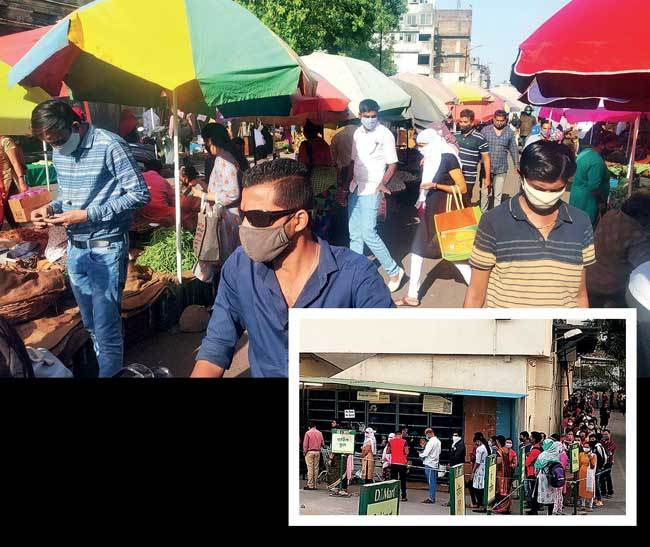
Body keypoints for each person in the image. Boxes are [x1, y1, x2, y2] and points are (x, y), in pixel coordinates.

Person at [191, 159, 394, 378]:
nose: (245, 227)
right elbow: (216, 347)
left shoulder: (357, 276)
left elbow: (390, 356)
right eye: (243, 215)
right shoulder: (240, 267)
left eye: (258, 217)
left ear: (298, 220)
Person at [30, 100, 150, 378]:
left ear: (75, 126)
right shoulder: (60, 152)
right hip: (75, 251)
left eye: (58, 139)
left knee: (106, 327)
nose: (56, 146)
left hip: (106, 248)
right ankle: (112, 368)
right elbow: (66, 197)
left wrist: (87, 215)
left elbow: (139, 194)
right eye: (49, 142)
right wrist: (48, 209)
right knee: (92, 323)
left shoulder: (110, 145)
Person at [465, 141, 595, 308]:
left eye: (556, 190)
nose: (546, 196)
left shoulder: (580, 222)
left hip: (560, 332)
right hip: (509, 331)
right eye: (538, 188)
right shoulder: (494, 221)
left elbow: (580, 293)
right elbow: (476, 294)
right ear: (521, 175)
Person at [394, 128, 467, 307]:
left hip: (444, 211)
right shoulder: (431, 158)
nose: (420, 149)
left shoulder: (448, 158)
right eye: (419, 145)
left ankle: (478, 285)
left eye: (423, 145)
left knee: (454, 255)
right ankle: (412, 295)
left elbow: (462, 188)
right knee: (417, 250)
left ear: (433, 143)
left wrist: (436, 185)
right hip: (430, 211)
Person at [347, 99, 404, 291]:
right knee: (355, 234)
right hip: (356, 187)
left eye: (374, 116)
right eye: (367, 117)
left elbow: (393, 164)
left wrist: (382, 183)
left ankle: (394, 270)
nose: (370, 120)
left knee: (369, 233)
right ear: (360, 116)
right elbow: (353, 161)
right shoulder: (356, 133)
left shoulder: (385, 134)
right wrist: (346, 183)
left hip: (372, 188)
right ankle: (356, 271)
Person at [588, 193, 650, 308]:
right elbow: (645, 266)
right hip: (611, 290)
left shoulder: (610, 215)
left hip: (589, 277)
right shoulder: (635, 234)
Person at [569, 134, 618, 226]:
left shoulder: (585, 152)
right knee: (585, 228)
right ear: (601, 145)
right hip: (588, 200)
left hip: (577, 195)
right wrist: (601, 202)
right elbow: (594, 186)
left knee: (575, 223)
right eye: (611, 147)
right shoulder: (597, 162)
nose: (613, 149)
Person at [480, 110, 518, 211]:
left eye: (502, 121)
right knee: (485, 193)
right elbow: (478, 147)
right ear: (493, 119)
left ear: (505, 120)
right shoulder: (485, 130)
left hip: (501, 168)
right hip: (486, 168)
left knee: (497, 194)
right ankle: (483, 213)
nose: (499, 123)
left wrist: (516, 165)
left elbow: (513, 149)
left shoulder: (509, 132)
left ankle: (495, 215)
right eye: (497, 120)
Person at [455, 109, 490, 207]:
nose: (462, 124)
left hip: (469, 177)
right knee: (454, 201)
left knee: (466, 201)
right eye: (461, 121)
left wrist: (487, 178)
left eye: (465, 122)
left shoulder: (480, 138)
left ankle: (466, 221)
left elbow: (486, 158)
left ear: (472, 122)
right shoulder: (455, 136)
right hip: (455, 175)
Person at [0, 134, 28, 228]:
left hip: (8, 182)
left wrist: (21, 181)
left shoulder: (6, 141)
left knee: (11, 213)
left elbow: (15, 163)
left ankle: (20, 235)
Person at [534, 438, 564, 515]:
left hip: (543, 477)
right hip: (553, 477)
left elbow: (537, 466)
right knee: (552, 494)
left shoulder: (543, 455)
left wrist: (536, 474)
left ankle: (536, 509)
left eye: (544, 444)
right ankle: (550, 512)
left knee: (541, 493)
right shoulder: (556, 454)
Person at [492, 435, 516, 514]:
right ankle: (506, 508)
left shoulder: (500, 451)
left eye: (510, 442)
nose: (508, 444)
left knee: (501, 491)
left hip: (501, 475)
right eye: (507, 442)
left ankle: (501, 508)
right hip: (509, 475)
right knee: (507, 491)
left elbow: (498, 462)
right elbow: (515, 464)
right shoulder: (512, 452)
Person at [419, 428, 441, 504]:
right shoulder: (438, 441)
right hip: (435, 463)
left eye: (426, 434)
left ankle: (431, 498)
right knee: (433, 481)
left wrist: (420, 454)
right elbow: (439, 452)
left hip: (429, 464)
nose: (426, 436)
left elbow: (425, 453)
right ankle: (432, 497)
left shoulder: (431, 442)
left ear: (429, 433)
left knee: (431, 482)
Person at [524, 431, 544, 514]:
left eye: (531, 437)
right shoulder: (538, 448)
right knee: (534, 491)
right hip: (535, 473)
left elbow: (527, 462)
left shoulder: (535, 449)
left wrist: (528, 456)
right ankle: (534, 509)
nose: (530, 438)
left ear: (535, 439)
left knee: (534, 492)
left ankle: (534, 510)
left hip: (532, 473)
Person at [387, 429, 409, 501]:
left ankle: (394, 495)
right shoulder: (404, 441)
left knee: (394, 479)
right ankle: (403, 496)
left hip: (394, 463)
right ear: (401, 435)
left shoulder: (391, 441)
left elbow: (388, 451)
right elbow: (406, 452)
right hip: (402, 463)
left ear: (395, 435)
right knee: (403, 480)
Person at [471, 434, 490, 512]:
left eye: (475, 443)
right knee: (483, 487)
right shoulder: (487, 447)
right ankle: (483, 505)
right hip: (485, 469)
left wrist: (473, 472)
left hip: (480, 471)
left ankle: (481, 504)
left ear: (478, 441)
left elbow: (477, 462)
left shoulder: (480, 449)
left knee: (478, 488)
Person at [303, 422, 324, 490]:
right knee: (316, 468)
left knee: (310, 469)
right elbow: (322, 443)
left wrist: (304, 452)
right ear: (315, 426)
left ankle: (310, 485)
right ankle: (315, 485)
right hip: (317, 452)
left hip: (310, 452)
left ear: (309, 427)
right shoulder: (320, 433)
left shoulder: (308, 433)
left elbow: (305, 445)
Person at [578, 441, 597, 513]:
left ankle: (590, 506)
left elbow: (593, 466)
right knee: (582, 489)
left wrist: (590, 458)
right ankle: (582, 505)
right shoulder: (581, 454)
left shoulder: (593, 455)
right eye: (584, 446)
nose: (585, 448)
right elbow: (579, 464)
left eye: (587, 447)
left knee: (590, 490)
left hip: (589, 474)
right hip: (582, 473)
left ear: (590, 448)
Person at [600, 428, 616, 498]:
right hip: (602, 462)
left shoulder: (612, 443)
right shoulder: (600, 442)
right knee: (601, 477)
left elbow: (608, 452)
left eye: (606, 434)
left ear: (610, 434)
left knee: (607, 476)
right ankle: (603, 492)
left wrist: (602, 450)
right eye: (603, 435)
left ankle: (610, 491)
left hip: (609, 462)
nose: (605, 436)